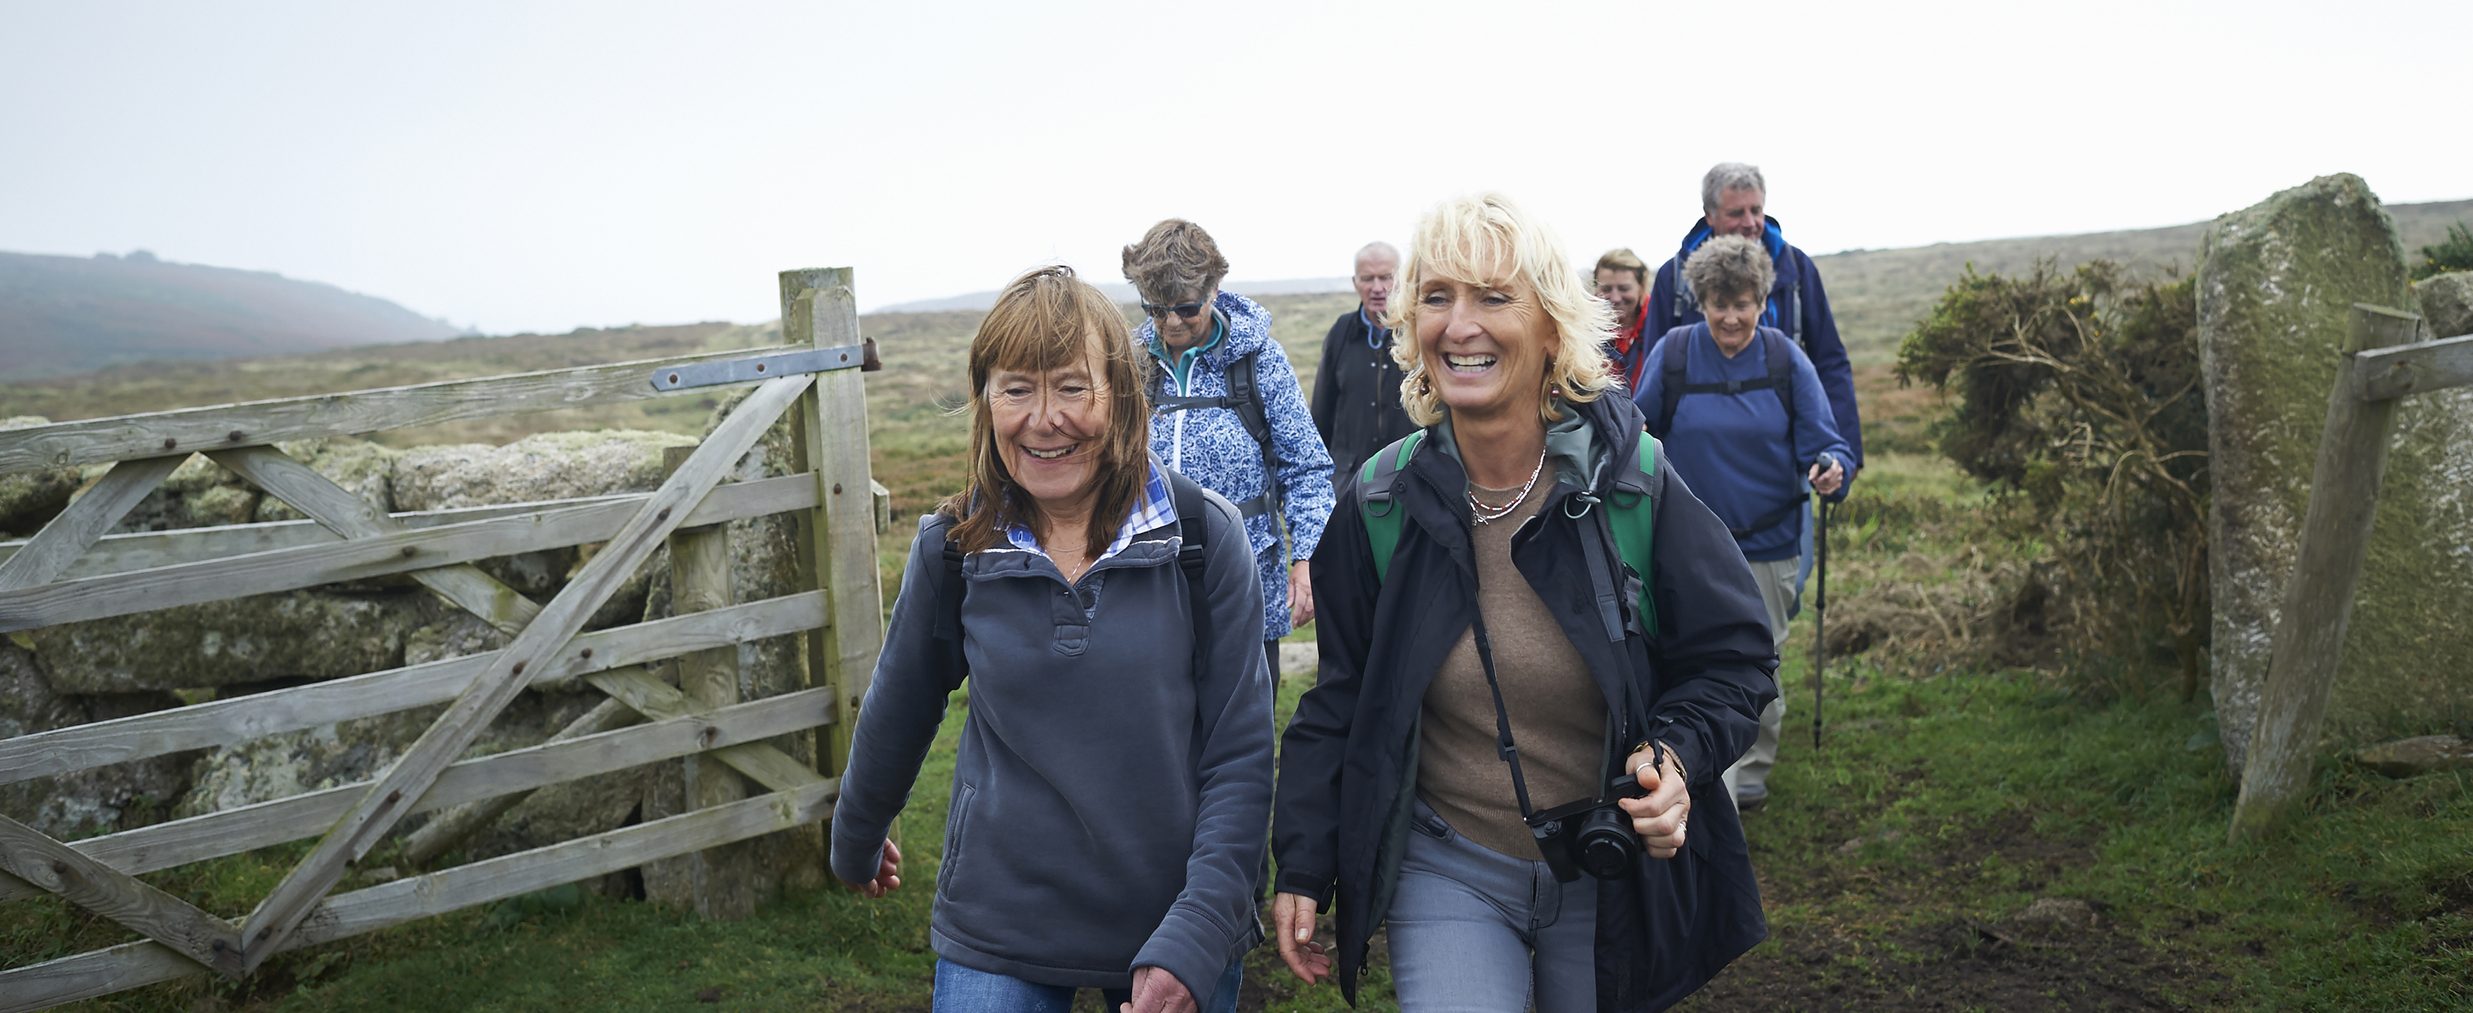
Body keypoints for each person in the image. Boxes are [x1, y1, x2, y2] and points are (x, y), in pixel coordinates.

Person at [1270, 193, 1777, 1011]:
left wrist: (1676, 757)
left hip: (1605, 868)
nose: (1458, 325)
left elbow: (1734, 658)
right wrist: (1299, 861)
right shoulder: (1378, 501)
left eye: (1493, 297)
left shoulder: (1631, 481)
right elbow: (1343, 695)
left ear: (1551, 326)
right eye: (1435, 296)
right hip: (1446, 865)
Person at [829, 266, 1273, 1013]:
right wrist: (856, 839)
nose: (1044, 418)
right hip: (999, 921)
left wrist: (1197, 933)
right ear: (986, 401)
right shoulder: (953, 546)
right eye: (1016, 388)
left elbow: (1239, 755)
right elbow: (898, 706)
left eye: (1072, 387)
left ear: (1121, 397)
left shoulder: (1203, 535)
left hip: (1175, 913)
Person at [1635, 235, 1850, 814]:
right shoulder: (1675, 353)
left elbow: (1825, 440)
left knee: (1759, 665)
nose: (1731, 317)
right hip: (1682, 548)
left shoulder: (1785, 358)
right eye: (1718, 303)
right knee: (1684, 663)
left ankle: (1749, 774)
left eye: (1744, 302)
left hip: (1768, 544)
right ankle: (1701, 783)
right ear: (1700, 301)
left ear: (1763, 300)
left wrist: (1832, 468)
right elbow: (1635, 433)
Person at [1122, 219, 1337, 675]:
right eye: (1156, 310)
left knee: (1243, 738)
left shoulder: (1258, 359)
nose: (1171, 323)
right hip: (1148, 591)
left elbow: (1307, 469)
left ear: (1214, 287)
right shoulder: (1131, 362)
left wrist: (1308, 559)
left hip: (1246, 587)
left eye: (1185, 307)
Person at [1644, 162, 1864, 471]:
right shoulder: (1675, 276)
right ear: (1710, 215)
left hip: (1783, 454)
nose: (1750, 223)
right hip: (1698, 462)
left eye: (1756, 210)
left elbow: (1830, 360)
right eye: (1736, 213)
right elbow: (1655, 369)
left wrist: (1844, 458)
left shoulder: (1796, 268)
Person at [1311, 241, 1418, 481]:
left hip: (1410, 478)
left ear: (1402, 279)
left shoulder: (1419, 331)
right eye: (1368, 279)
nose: (1377, 288)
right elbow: (1322, 410)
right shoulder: (1341, 332)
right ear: (1355, 283)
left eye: (1386, 277)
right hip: (1349, 480)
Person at [1594, 247, 1654, 391]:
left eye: (1624, 289)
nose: (1615, 298)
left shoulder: (1659, 325)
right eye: (1607, 289)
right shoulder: (1584, 333)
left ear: (1641, 287)